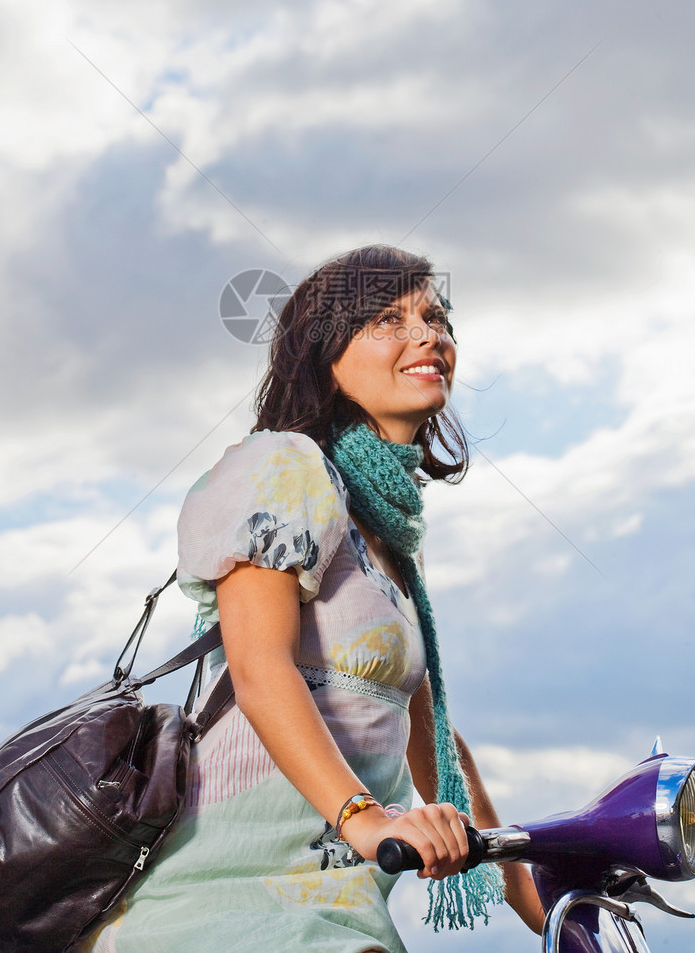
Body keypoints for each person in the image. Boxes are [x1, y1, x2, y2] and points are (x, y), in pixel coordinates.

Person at [84, 245, 544, 952]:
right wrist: (365, 819)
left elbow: (428, 737)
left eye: (437, 317)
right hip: (234, 893)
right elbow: (260, 667)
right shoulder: (286, 466)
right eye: (390, 319)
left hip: (343, 900)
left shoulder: (389, 536)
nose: (430, 336)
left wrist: (543, 899)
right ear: (325, 355)